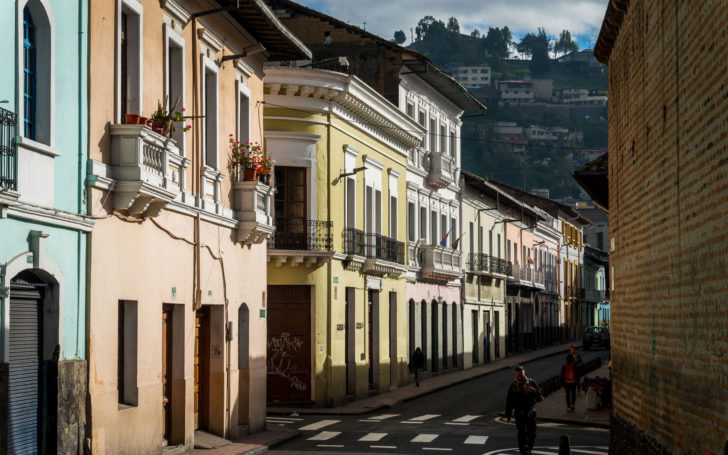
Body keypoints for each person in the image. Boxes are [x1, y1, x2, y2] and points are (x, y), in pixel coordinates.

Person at [505, 365, 543, 455]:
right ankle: (524, 452)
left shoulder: (531, 382)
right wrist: (508, 415)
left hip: (531, 413)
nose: (519, 377)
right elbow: (509, 401)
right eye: (517, 375)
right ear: (515, 375)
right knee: (522, 434)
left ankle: (528, 450)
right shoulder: (513, 387)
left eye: (521, 375)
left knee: (532, 434)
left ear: (524, 374)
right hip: (519, 414)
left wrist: (534, 391)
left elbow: (540, 394)